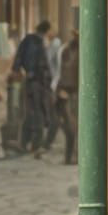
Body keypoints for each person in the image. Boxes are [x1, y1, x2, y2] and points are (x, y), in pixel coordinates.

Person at [13, 19, 54, 155]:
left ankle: (25, 143)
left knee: (31, 112)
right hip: (38, 82)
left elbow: (18, 59)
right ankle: (35, 144)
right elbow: (42, 65)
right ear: (46, 31)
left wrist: (19, 70)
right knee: (38, 112)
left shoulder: (28, 40)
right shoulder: (38, 42)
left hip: (32, 81)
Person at [55, 31, 80, 166]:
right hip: (69, 92)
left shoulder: (84, 50)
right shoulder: (67, 50)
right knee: (71, 126)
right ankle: (70, 156)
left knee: (76, 126)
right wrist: (61, 89)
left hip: (78, 92)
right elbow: (63, 71)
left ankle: (74, 155)